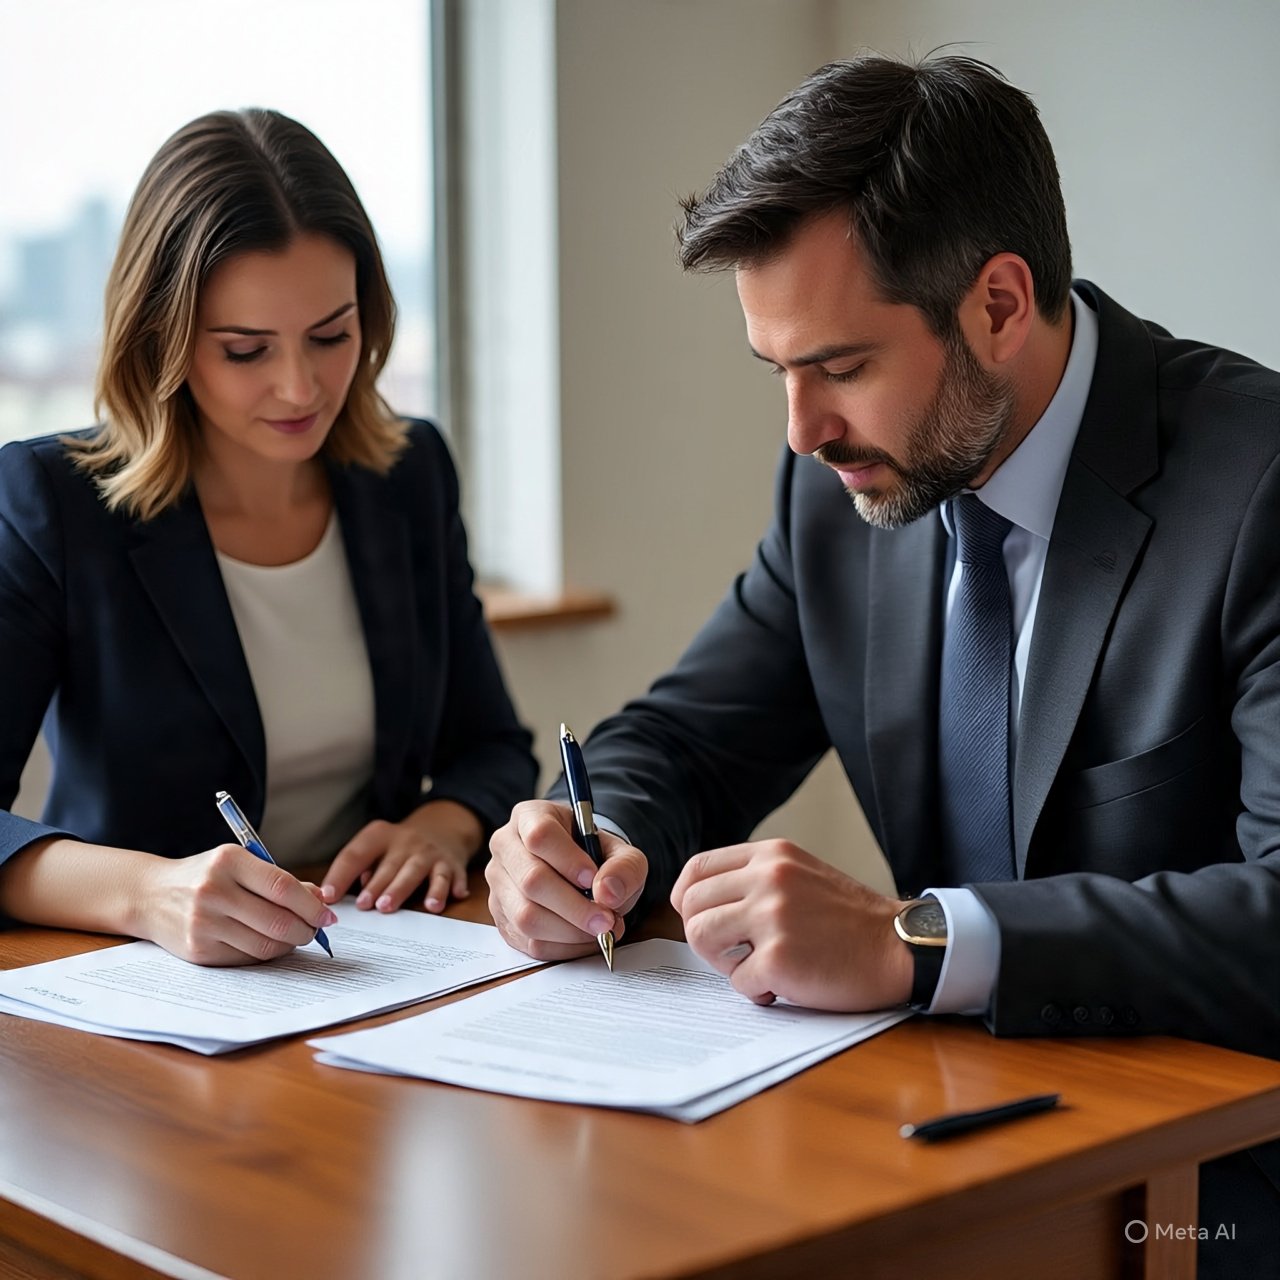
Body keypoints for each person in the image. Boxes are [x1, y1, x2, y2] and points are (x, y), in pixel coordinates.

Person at [487, 54, 1280, 1270]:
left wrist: (913, 939)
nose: (800, 431)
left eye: (840, 367)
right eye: (777, 371)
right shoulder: (840, 494)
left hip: (1212, 1193)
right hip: (944, 1147)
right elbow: (684, 737)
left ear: (999, 304)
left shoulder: (1255, 486)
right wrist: (581, 837)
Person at [0, 109, 536, 966]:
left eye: (332, 336)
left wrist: (444, 823)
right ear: (162, 342)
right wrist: (148, 894)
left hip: (377, 965)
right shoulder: (54, 503)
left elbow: (493, 746)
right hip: (151, 991)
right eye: (246, 350)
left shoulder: (408, 474)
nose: (300, 387)